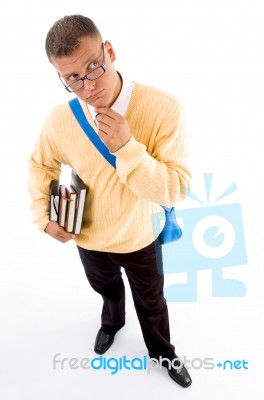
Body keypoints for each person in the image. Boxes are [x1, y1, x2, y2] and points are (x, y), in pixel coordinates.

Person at [28, 14, 192, 388]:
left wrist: (128, 148)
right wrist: (44, 217)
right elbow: (40, 165)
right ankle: (111, 323)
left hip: (139, 236)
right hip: (88, 238)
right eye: (72, 78)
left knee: (152, 303)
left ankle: (163, 352)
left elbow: (176, 187)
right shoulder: (59, 119)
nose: (87, 84)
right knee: (106, 290)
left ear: (110, 51)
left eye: (93, 66)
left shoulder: (163, 107)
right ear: (61, 78)